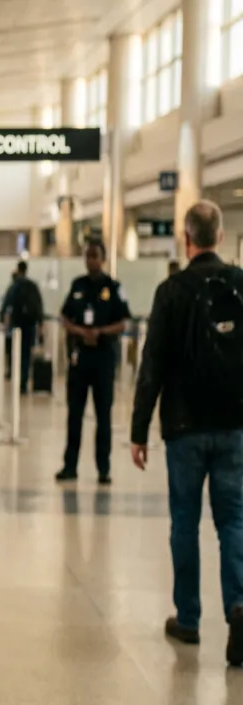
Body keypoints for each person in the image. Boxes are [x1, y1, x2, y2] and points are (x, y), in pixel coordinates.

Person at [130, 200, 243, 666]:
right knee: (234, 520)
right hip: (234, 425)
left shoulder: (172, 290)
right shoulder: (240, 284)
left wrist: (139, 431)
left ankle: (189, 619)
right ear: (218, 235)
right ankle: (238, 607)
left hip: (183, 428)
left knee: (185, 522)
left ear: (187, 238)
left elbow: (152, 362)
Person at [55, 240, 130, 484]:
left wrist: (99, 332)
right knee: (74, 414)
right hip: (80, 358)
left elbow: (123, 322)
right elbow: (64, 317)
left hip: (103, 358)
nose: (91, 261)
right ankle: (70, 465)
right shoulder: (78, 285)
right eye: (87, 256)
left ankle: (103, 468)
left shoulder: (114, 287)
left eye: (95, 256)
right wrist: (80, 331)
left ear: (103, 258)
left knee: (103, 416)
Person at [2, 260, 44, 394]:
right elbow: (39, 307)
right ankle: (23, 383)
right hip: (30, 326)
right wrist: (40, 325)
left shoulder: (15, 286)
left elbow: (6, 305)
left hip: (17, 326)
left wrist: (4, 321)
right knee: (26, 355)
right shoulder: (33, 286)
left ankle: (16, 378)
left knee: (15, 354)